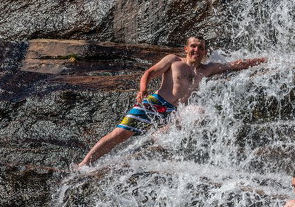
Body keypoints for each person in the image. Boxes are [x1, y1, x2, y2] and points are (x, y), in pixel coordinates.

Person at [77, 35, 265, 167]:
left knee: (198, 113)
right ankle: (85, 162)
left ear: (205, 52)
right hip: (156, 103)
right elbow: (150, 72)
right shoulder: (174, 61)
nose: (196, 50)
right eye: (193, 46)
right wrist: (143, 89)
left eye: (200, 47)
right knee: (120, 134)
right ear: (186, 49)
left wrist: (263, 60)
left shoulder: (207, 69)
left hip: (174, 112)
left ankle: (158, 137)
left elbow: (235, 65)